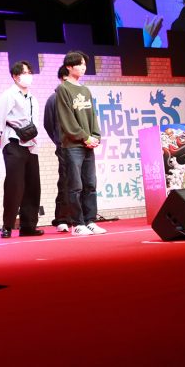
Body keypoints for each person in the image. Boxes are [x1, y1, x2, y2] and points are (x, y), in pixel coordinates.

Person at [0, 60, 44, 237]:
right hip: (13, 142)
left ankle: (28, 225)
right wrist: (3, 142)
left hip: (31, 145)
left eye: (29, 73)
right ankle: (7, 225)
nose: (27, 76)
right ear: (15, 76)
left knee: (33, 185)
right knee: (14, 185)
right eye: (23, 73)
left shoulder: (33, 98)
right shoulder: (8, 95)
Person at [55, 51, 106, 236]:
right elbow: (67, 119)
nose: (83, 67)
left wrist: (95, 136)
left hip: (87, 144)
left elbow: (92, 116)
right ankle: (78, 223)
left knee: (90, 184)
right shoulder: (63, 89)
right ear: (69, 67)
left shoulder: (85, 90)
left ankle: (90, 220)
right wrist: (84, 137)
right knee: (75, 186)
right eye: (80, 64)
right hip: (72, 146)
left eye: (84, 64)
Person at [43, 65, 73, 233]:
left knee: (83, 182)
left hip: (81, 146)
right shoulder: (53, 99)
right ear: (62, 78)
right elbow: (48, 124)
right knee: (65, 181)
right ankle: (62, 218)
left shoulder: (79, 96)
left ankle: (79, 217)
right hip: (64, 146)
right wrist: (58, 140)